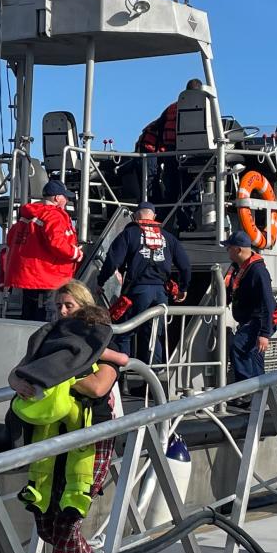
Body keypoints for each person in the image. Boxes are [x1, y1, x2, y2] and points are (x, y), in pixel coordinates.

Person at [7, 281, 128, 553]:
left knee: (66, 519)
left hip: (91, 442)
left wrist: (56, 378)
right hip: (52, 438)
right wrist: (20, 381)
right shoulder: (49, 345)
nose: (62, 313)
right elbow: (18, 373)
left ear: (84, 309)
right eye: (58, 306)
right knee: (47, 524)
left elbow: (98, 386)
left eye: (69, 306)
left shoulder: (100, 343)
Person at [98, 202, 191, 364]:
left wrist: (100, 281)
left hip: (137, 292)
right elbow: (185, 266)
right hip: (161, 294)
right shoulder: (168, 237)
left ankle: (120, 375)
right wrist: (183, 288)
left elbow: (113, 261)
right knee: (154, 335)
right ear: (154, 216)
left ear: (135, 215)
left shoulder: (129, 234)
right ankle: (152, 379)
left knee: (123, 332)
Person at [0, 178, 84, 321]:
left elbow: (10, 241)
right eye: (65, 198)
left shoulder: (26, 216)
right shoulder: (54, 215)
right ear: (57, 198)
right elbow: (57, 243)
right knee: (50, 315)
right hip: (48, 277)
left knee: (29, 315)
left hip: (27, 277)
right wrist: (76, 253)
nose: (66, 201)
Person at [129, 78, 204, 230]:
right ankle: (185, 221)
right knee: (190, 187)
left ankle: (166, 221)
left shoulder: (172, 107)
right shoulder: (203, 109)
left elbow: (160, 126)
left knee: (172, 189)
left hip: (169, 151)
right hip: (175, 152)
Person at [223, 230, 277, 384]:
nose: (227, 251)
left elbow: (267, 302)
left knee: (238, 346)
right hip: (250, 320)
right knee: (254, 358)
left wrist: (264, 334)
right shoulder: (238, 268)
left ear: (238, 250)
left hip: (259, 321)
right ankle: (260, 395)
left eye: (229, 248)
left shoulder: (258, 271)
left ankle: (247, 390)